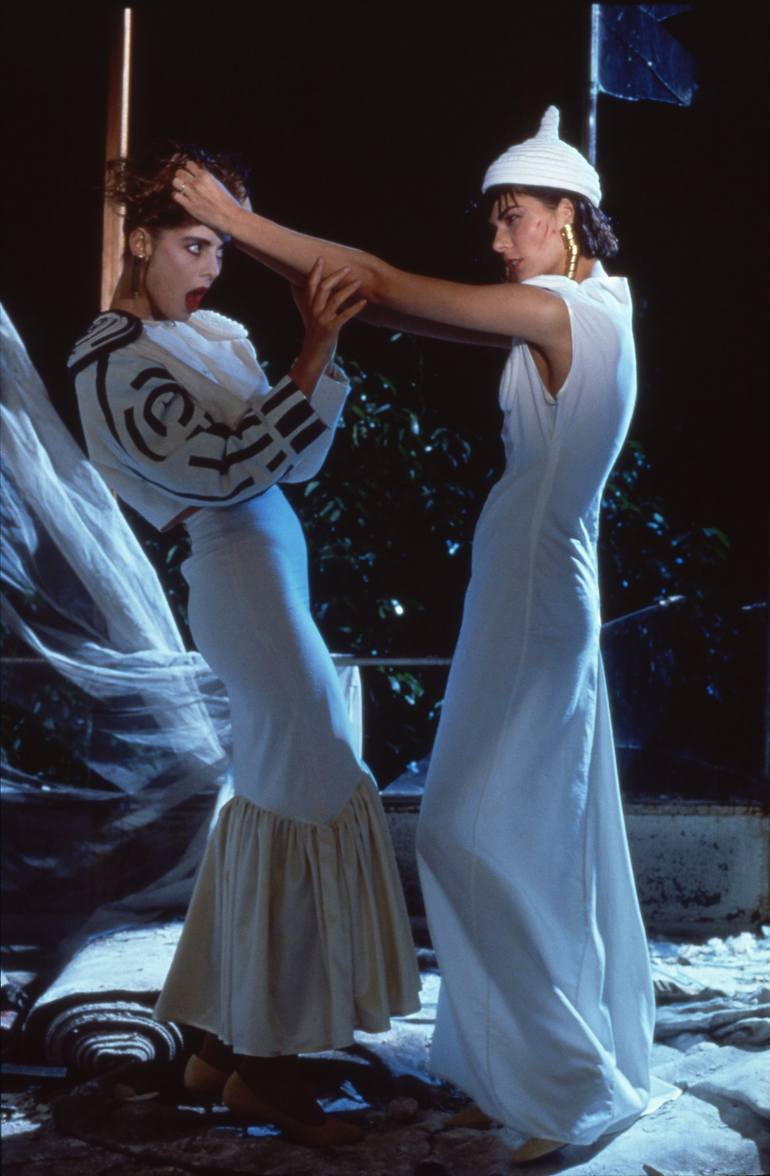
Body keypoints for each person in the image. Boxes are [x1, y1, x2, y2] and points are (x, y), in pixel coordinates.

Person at [169, 107, 659, 1163]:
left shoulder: (568, 313)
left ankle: (569, 1089)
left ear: (570, 216)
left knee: (463, 832)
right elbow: (383, 302)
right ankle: (510, 1073)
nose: (497, 238)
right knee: (532, 837)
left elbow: (384, 282)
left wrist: (233, 221)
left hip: (534, 594)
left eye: (513, 217)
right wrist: (319, 294)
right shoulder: (571, 309)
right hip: (522, 586)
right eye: (493, 219)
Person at [69, 144, 421, 1147]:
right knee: (315, 781)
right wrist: (311, 350)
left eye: (221, 247)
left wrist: (315, 358)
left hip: (271, 569)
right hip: (235, 576)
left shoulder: (214, 336)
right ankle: (266, 1068)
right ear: (141, 242)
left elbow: (295, 462)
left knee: (277, 799)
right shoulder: (111, 359)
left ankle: (220, 1051)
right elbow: (225, 468)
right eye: (195, 244)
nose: (212, 267)